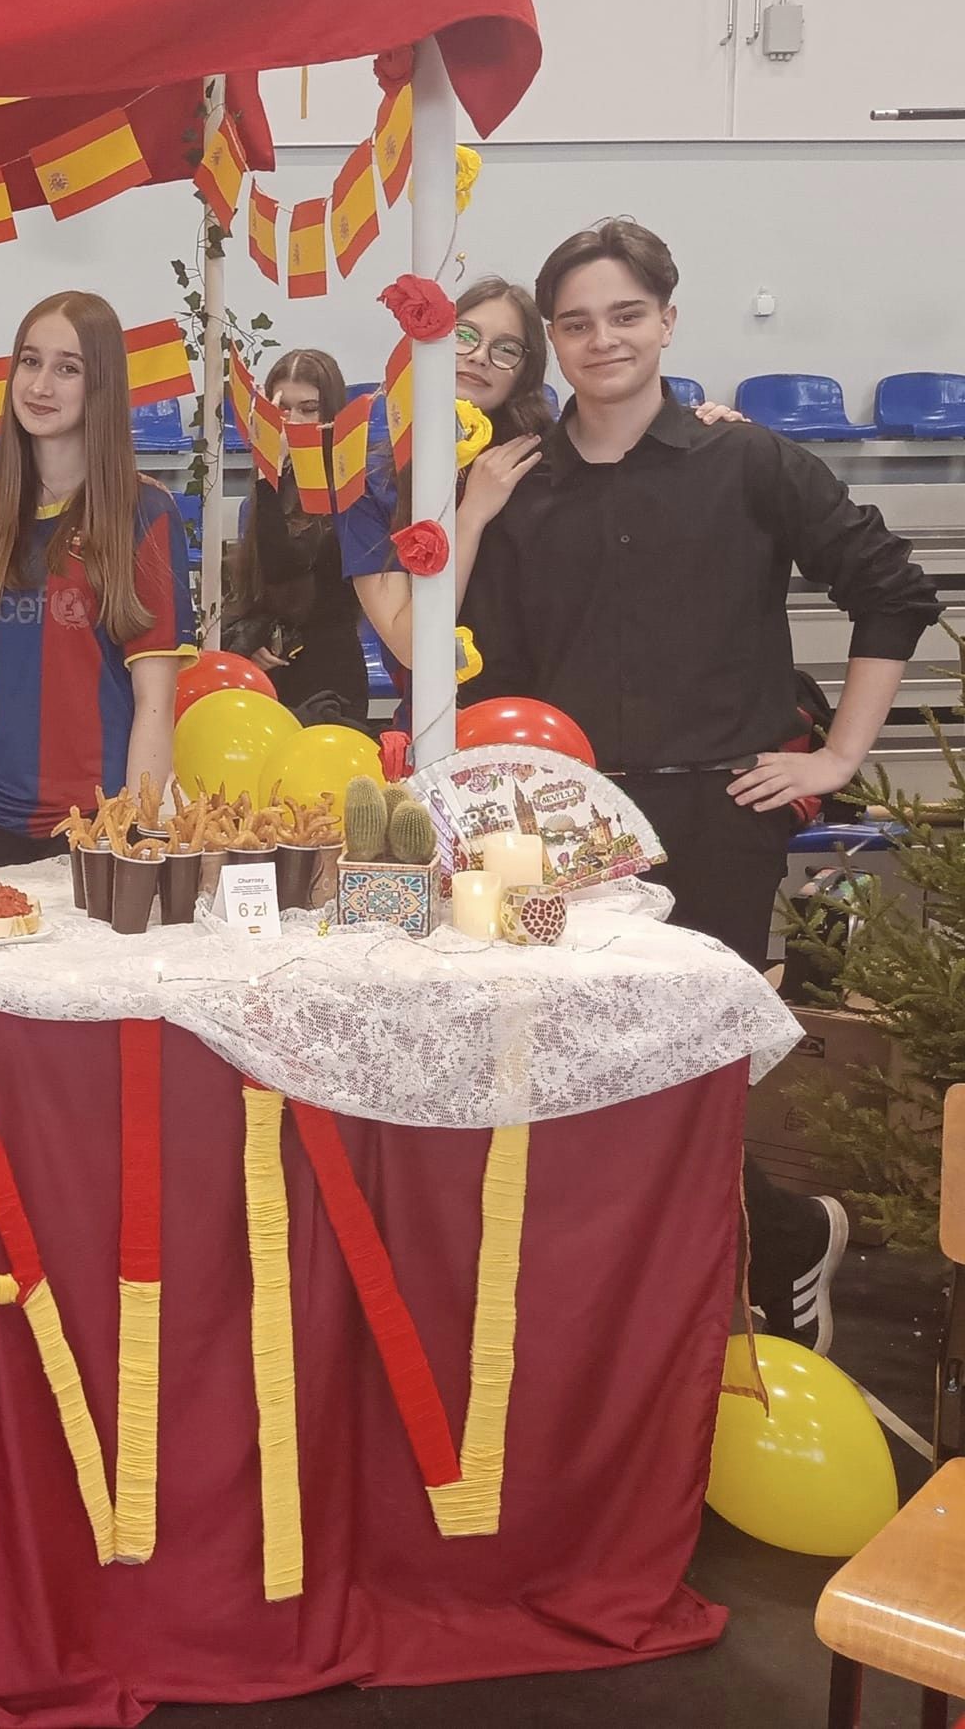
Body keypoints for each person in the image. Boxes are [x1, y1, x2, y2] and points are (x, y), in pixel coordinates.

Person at [464, 217, 942, 1353]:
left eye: (625, 315)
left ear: (668, 321)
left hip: (720, 818)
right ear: (552, 342)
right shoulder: (516, 487)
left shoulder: (749, 460)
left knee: (687, 1080)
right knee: (579, 1074)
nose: (603, 340)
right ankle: (672, 1294)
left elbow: (891, 590)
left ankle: (750, 1268)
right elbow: (489, 668)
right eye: (576, 323)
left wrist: (835, 756)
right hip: (566, 832)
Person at [0, 291, 195, 870]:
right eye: (30, 361)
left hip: (99, 827)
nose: (40, 385)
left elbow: (154, 702)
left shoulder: (144, 515)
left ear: (101, 385)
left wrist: (137, 835)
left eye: (67, 368)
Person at [339, 276, 553, 672]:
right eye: (464, 335)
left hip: (544, 695)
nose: (479, 356)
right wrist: (471, 516)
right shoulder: (369, 478)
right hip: (441, 700)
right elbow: (410, 647)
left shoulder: (545, 460)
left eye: (506, 349)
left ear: (525, 373)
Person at [222, 349, 368, 719]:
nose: (293, 422)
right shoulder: (274, 486)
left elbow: (286, 564)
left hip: (330, 672)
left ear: (330, 415)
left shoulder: (351, 486)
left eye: (309, 409)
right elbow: (259, 588)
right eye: (282, 410)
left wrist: (266, 471)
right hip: (274, 665)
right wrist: (253, 639)